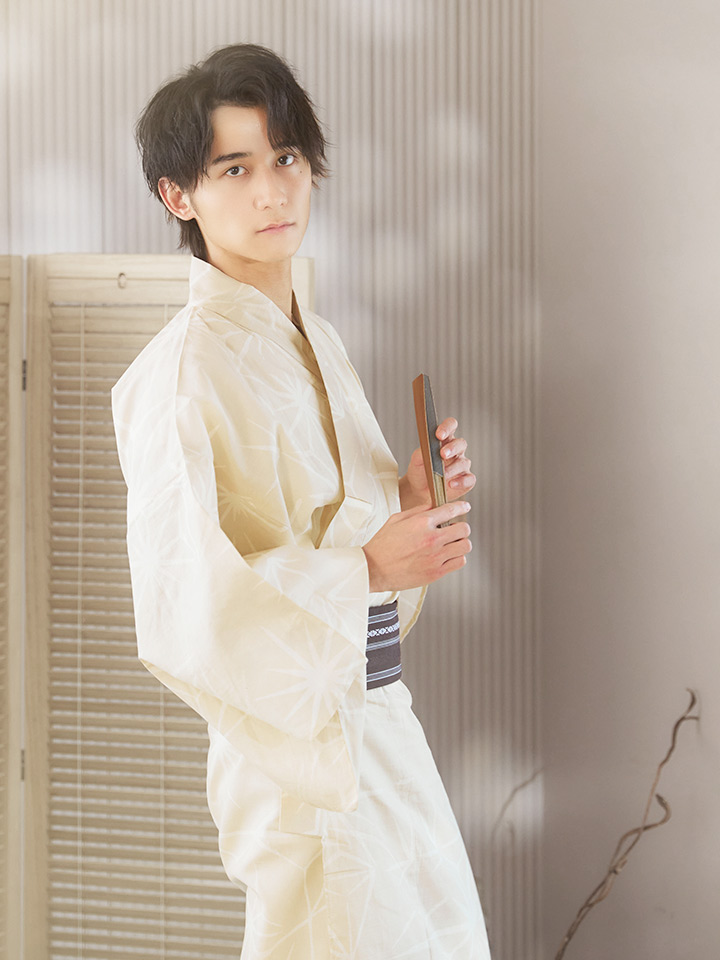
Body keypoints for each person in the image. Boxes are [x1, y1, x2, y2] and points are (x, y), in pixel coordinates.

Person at [112, 43, 491, 960]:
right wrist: (366, 568)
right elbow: (184, 605)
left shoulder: (314, 337)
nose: (272, 190)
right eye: (234, 169)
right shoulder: (177, 373)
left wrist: (407, 504)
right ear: (178, 195)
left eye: (285, 157)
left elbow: (348, 541)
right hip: (296, 762)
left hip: (381, 726)